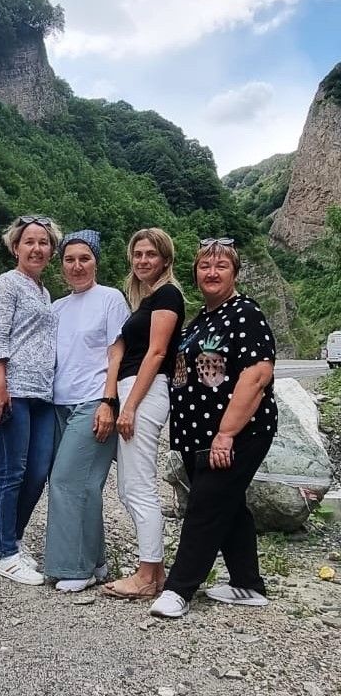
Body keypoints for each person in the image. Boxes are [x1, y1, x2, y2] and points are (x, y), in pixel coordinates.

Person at [150, 238, 277, 618]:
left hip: (237, 433)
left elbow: (257, 375)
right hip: (197, 436)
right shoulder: (202, 319)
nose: (212, 272)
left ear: (234, 272)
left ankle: (178, 590)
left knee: (204, 507)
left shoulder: (245, 314)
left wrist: (227, 434)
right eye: (205, 266)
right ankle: (247, 584)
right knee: (228, 505)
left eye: (221, 266)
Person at [44, 230, 130, 592]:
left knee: (67, 481)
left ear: (96, 261)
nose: (77, 266)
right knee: (85, 485)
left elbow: (116, 352)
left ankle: (75, 569)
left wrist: (109, 402)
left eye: (84, 259)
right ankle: (96, 562)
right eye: (70, 260)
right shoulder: (56, 308)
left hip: (94, 401)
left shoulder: (110, 298)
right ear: (61, 265)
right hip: (59, 404)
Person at [103, 228, 184, 600]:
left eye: (151, 254)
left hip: (144, 392)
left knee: (138, 487)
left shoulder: (167, 295)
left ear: (165, 259)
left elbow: (157, 353)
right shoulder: (149, 299)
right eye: (137, 254)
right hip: (136, 389)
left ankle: (147, 575)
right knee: (129, 487)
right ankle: (156, 571)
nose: (142, 260)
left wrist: (130, 406)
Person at [0, 215, 62, 585]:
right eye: (29, 242)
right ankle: (5, 553)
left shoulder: (44, 292)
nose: (37, 248)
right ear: (15, 247)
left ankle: (10, 538)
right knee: (11, 471)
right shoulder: (7, 283)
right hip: (10, 389)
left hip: (42, 394)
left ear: (51, 250)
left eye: (43, 243)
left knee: (38, 471)